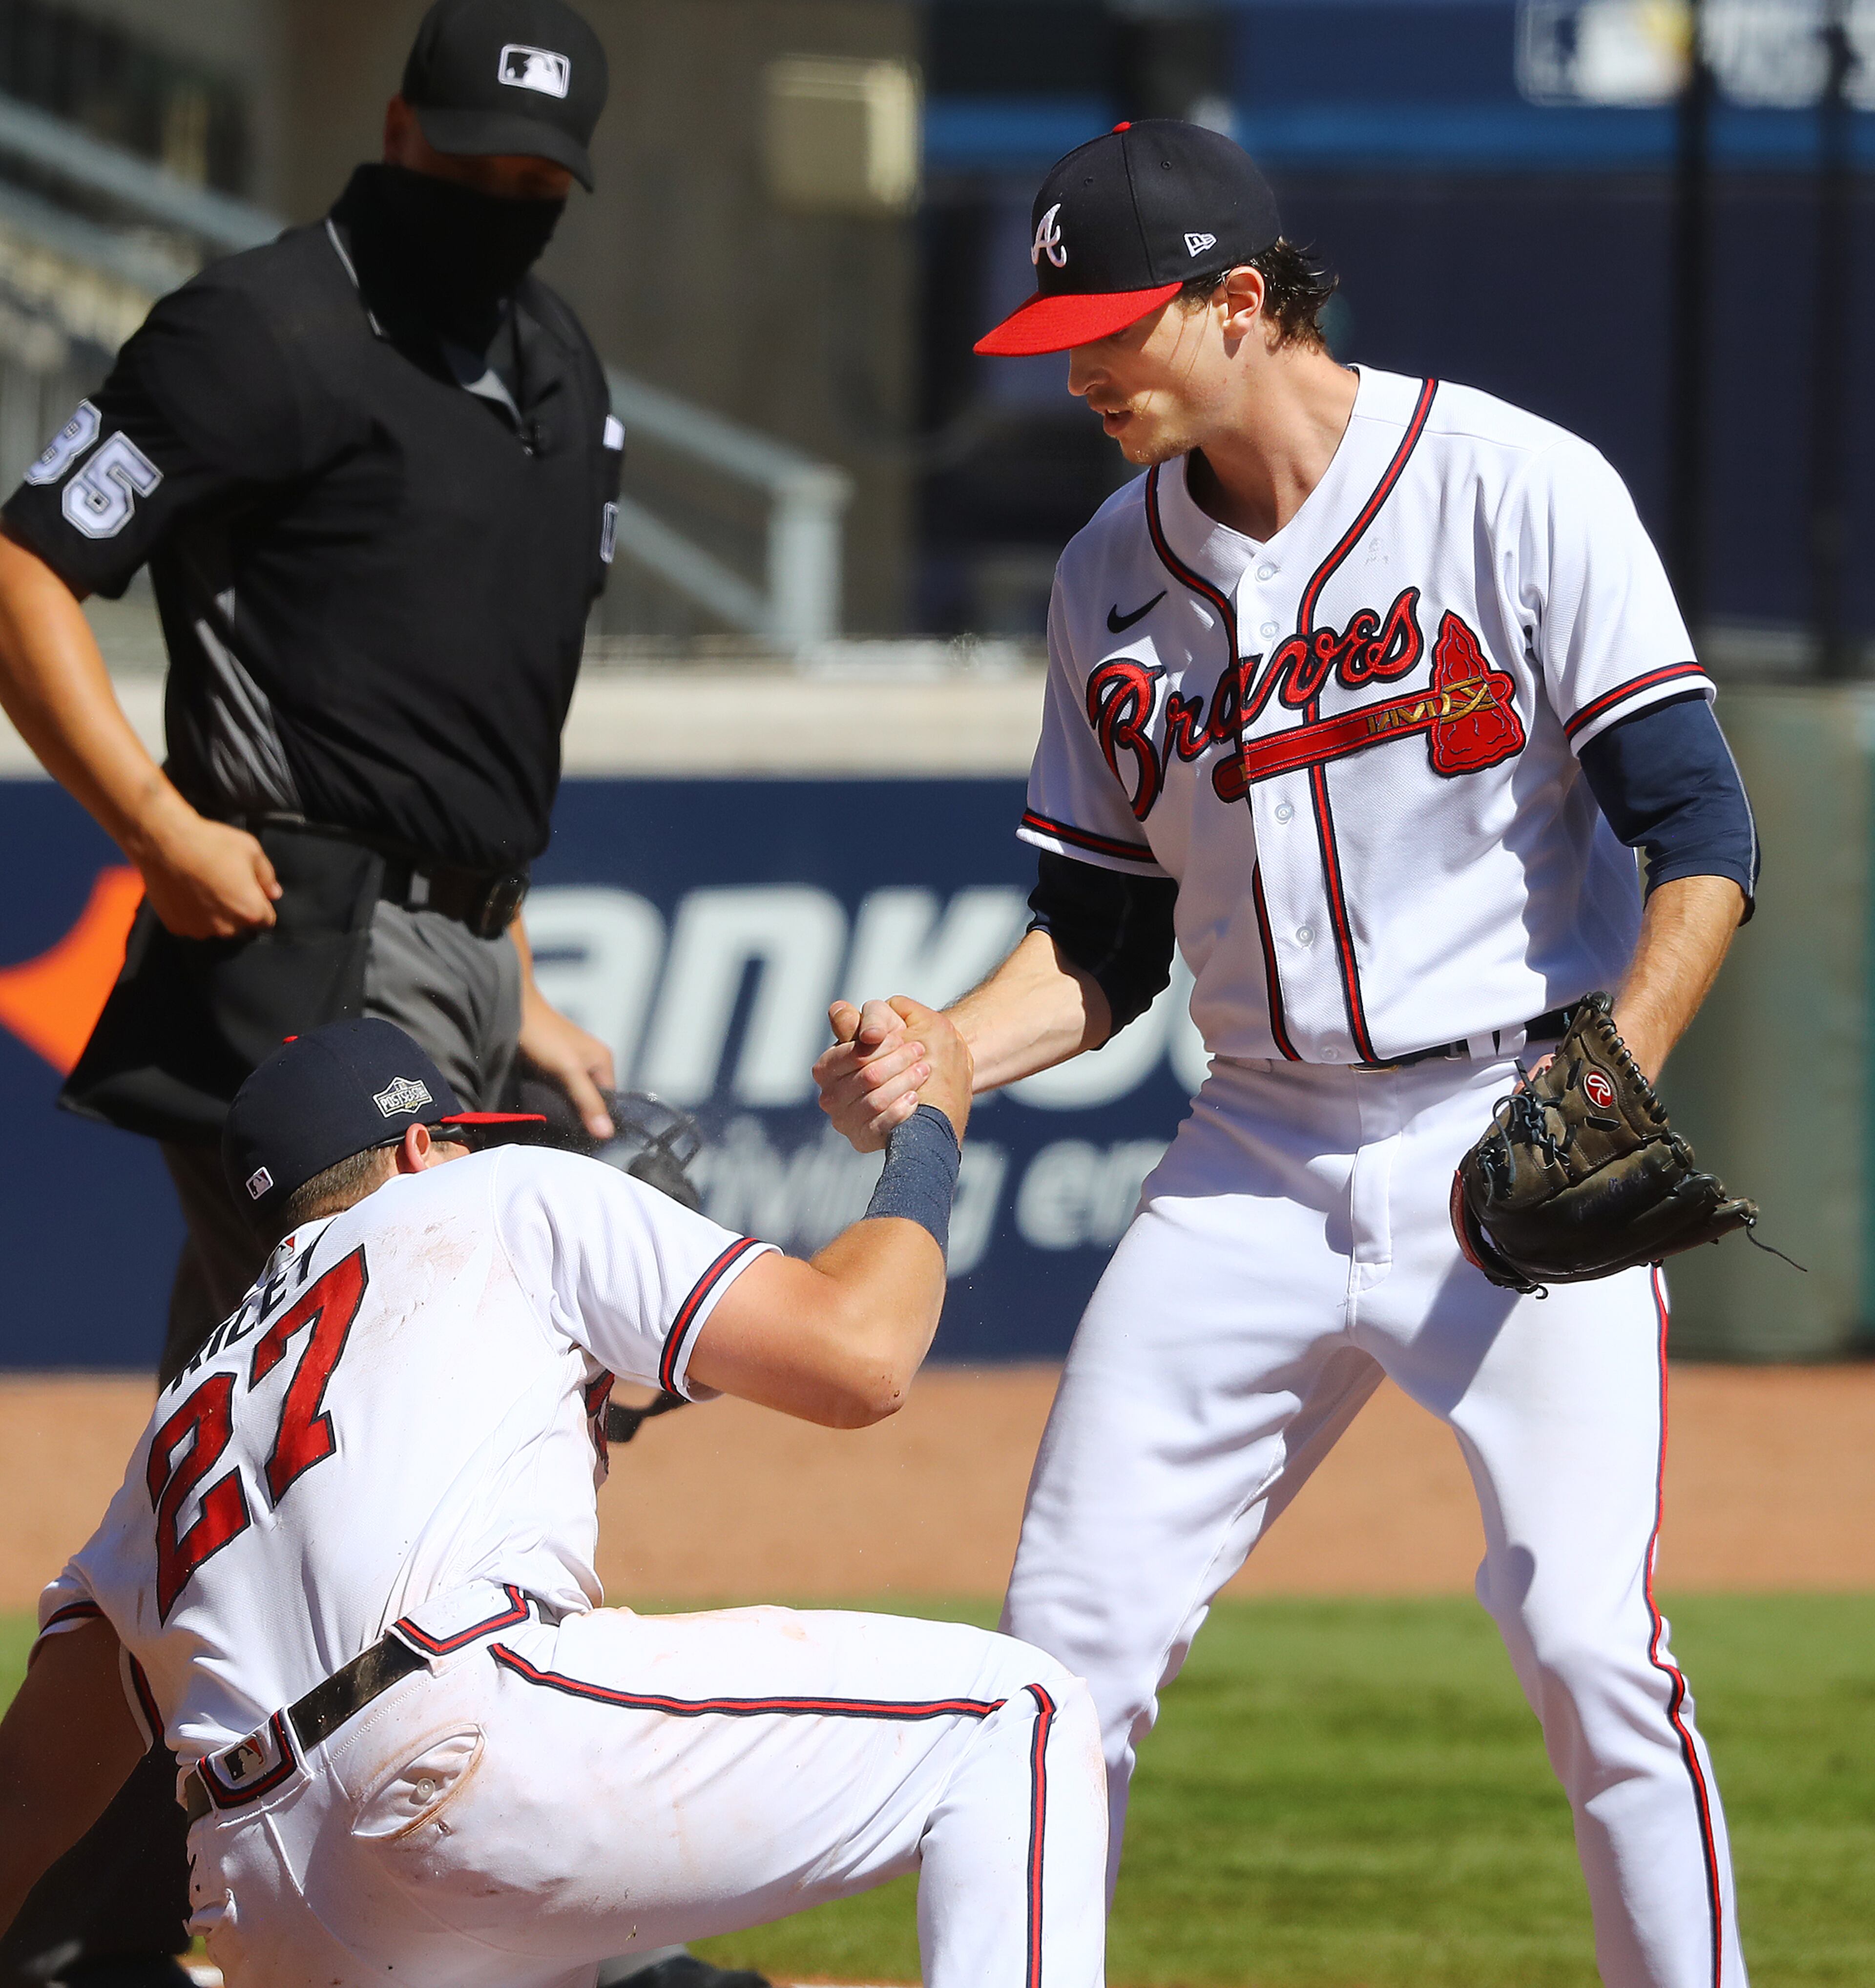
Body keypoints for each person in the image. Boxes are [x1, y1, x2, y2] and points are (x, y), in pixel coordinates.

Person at [815, 121, 1759, 1988]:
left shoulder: (1512, 486)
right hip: (1249, 1154)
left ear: (1241, 301)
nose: (1077, 365)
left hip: (1511, 1118)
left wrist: (1616, 1070)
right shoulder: (1108, 572)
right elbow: (1101, 947)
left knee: (1592, 1645)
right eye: (1057, 329)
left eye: (1112, 328)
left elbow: (1704, 836)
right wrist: (949, 1047)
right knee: (1057, 1657)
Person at [0, 4, 633, 1979]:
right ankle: (400, 1901)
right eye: (467, 168)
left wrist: (514, 973)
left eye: (535, 182)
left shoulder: (554, 366)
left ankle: (88, 1921)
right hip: (288, 940)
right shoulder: (254, 329)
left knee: (250, 1463)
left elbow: (461, 712)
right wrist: (151, 823)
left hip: (455, 948)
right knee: (371, 1431)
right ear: (393, 130)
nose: (497, 204)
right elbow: (25, 566)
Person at [0, 1016, 1107, 1988]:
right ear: (423, 1145)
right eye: (464, 1132)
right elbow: (862, 1355)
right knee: (1018, 1717)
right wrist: (931, 1130)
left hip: (264, 1890)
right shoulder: (493, 1191)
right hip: (462, 1741)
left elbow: (30, 1795)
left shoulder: (175, 1430)